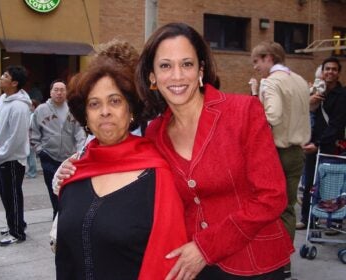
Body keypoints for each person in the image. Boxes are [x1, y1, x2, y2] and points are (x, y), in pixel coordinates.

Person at [55, 23, 294, 279]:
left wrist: (206, 247)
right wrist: (73, 170)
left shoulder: (243, 111)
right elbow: (120, 159)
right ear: (152, 76)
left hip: (253, 261)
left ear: (201, 70)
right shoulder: (155, 133)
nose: (177, 76)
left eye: (187, 64)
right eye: (166, 66)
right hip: (192, 268)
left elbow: (272, 196)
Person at [55, 39, 187, 279]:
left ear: (131, 110)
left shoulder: (157, 176)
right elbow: (65, 258)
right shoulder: (73, 175)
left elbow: (170, 262)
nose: (105, 111)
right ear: (85, 116)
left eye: (115, 101)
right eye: (94, 104)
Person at [250, 41, 311, 278]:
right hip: (298, 151)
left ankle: (272, 260)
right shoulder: (298, 80)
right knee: (288, 208)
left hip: (276, 152)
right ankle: (285, 263)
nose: (256, 67)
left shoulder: (272, 81)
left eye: (257, 61)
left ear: (268, 58)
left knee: (268, 207)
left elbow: (272, 115)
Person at [297, 57, 346, 233]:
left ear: (338, 73)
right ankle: (307, 219)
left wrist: (318, 144)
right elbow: (305, 117)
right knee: (309, 183)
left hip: (332, 145)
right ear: (322, 72)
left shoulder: (343, 95)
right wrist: (311, 102)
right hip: (313, 144)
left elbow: (337, 124)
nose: (330, 72)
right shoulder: (317, 92)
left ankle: (334, 222)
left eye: (334, 69)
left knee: (332, 185)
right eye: (327, 69)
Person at [0, 65, 31, 246]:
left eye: (5, 76)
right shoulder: (3, 100)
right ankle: (14, 224)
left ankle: (17, 232)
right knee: (6, 196)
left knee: (12, 196)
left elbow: (16, 137)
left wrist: (0, 153)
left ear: (14, 83)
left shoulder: (19, 107)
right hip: (1, 158)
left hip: (11, 159)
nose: (1, 78)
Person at [30, 79, 86, 219]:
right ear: (50, 92)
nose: (59, 93)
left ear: (66, 92)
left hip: (69, 158)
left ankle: (65, 215)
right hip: (48, 157)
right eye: (56, 90)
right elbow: (33, 132)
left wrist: (80, 152)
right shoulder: (41, 110)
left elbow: (79, 132)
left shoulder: (72, 109)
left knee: (67, 189)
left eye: (62, 90)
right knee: (53, 189)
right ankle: (57, 214)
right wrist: (39, 150)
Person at [25, 99, 40, 178]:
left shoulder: (34, 115)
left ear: (34, 106)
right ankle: (30, 171)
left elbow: (32, 127)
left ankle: (32, 172)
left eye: (30, 105)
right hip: (28, 138)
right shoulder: (30, 114)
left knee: (31, 156)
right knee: (28, 155)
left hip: (31, 138)